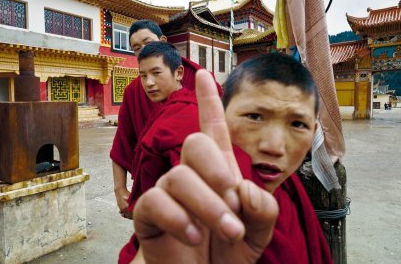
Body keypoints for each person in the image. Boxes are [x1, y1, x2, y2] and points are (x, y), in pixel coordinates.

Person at [132, 53, 333, 264]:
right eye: (255, 117)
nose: (274, 147)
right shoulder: (196, 205)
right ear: (222, 115)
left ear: (314, 133)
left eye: (298, 124)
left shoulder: (293, 198)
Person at [110, 20, 221, 219]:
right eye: (137, 48)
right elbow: (123, 140)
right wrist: (120, 189)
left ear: (163, 41)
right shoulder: (135, 90)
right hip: (151, 189)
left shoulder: (199, 79)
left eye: (148, 42)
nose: (145, 51)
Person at [118, 41, 203, 264]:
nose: (149, 83)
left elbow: (189, 187)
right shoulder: (168, 108)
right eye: (143, 76)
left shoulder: (185, 113)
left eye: (156, 73)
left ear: (178, 73)